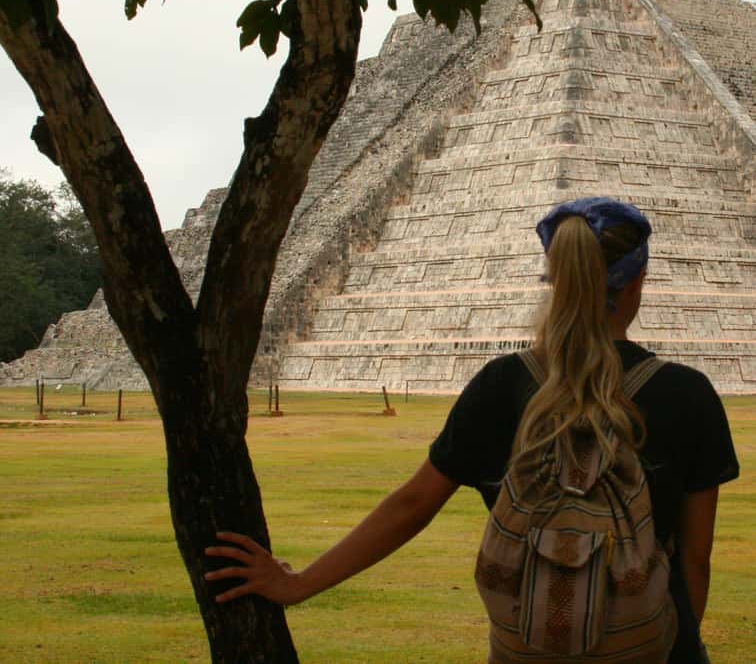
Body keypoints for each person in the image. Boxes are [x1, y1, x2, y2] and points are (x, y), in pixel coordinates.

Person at [205, 197, 739, 663]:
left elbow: (412, 505)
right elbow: (695, 560)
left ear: (556, 279)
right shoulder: (687, 394)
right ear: (638, 280)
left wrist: (298, 584)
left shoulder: (503, 385)